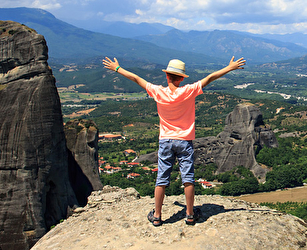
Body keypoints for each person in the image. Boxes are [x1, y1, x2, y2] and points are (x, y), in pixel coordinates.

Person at [102, 55, 246, 226]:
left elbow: (136, 78)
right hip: (184, 140)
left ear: (167, 75)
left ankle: (157, 216)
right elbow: (209, 78)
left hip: (166, 140)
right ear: (182, 78)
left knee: (161, 179)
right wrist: (229, 68)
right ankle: (190, 215)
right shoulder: (188, 91)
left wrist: (117, 68)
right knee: (188, 178)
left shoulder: (158, 91)